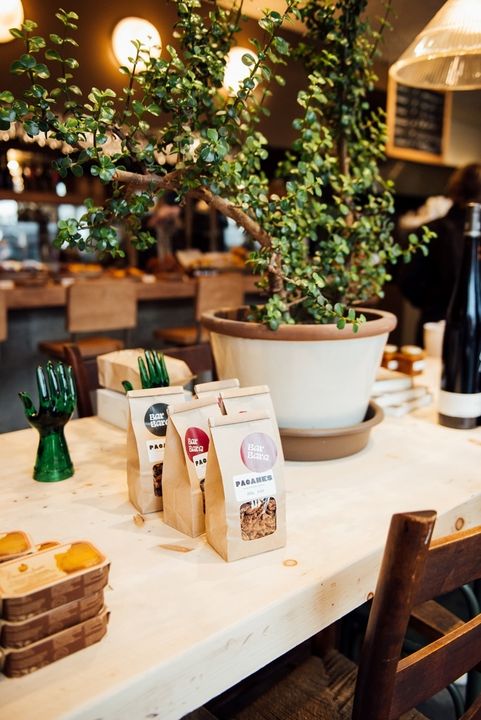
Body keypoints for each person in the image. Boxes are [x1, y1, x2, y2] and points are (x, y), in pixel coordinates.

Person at [397, 163, 481, 346]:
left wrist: (433, 306)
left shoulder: (430, 230)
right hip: (446, 330)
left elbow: (408, 282)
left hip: (434, 328)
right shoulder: (433, 232)